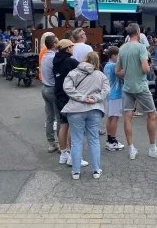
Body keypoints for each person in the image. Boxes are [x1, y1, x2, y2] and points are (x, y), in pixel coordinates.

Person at [115, 23, 157, 160]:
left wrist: (127, 74)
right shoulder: (141, 47)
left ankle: (131, 148)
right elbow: (145, 68)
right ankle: (152, 148)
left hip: (127, 86)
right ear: (138, 33)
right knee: (152, 114)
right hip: (140, 85)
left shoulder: (122, 49)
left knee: (128, 116)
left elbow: (117, 71)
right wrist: (149, 67)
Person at [62, 52, 110, 180]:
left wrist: (82, 98)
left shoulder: (73, 73)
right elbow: (106, 90)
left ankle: (76, 171)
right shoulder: (100, 75)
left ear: (84, 59)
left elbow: (67, 88)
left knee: (77, 140)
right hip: (94, 108)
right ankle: (95, 170)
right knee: (94, 139)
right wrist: (95, 98)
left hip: (75, 109)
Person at [53, 39, 88, 167]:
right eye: (72, 47)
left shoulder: (56, 60)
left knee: (64, 125)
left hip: (58, 95)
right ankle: (74, 157)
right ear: (68, 48)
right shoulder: (71, 61)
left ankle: (63, 154)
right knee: (74, 127)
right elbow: (86, 70)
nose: (73, 49)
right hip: (70, 96)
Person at [41, 34, 60, 153]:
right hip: (53, 89)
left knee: (49, 117)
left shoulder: (44, 56)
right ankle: (60, 143)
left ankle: (51, 143)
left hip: (45, 87)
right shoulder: (54, 57)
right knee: (59, 118)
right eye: (57, 42)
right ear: (54, 45)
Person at [103, 46, 125, 151]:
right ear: (113, 56)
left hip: (108, 94)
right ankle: (113, 141)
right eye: (118, 56)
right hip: (115, 94)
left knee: (110, 117)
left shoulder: (106, 66)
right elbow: (121, 74)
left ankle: (109, 140)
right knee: (115, 118)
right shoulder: (114, 66)